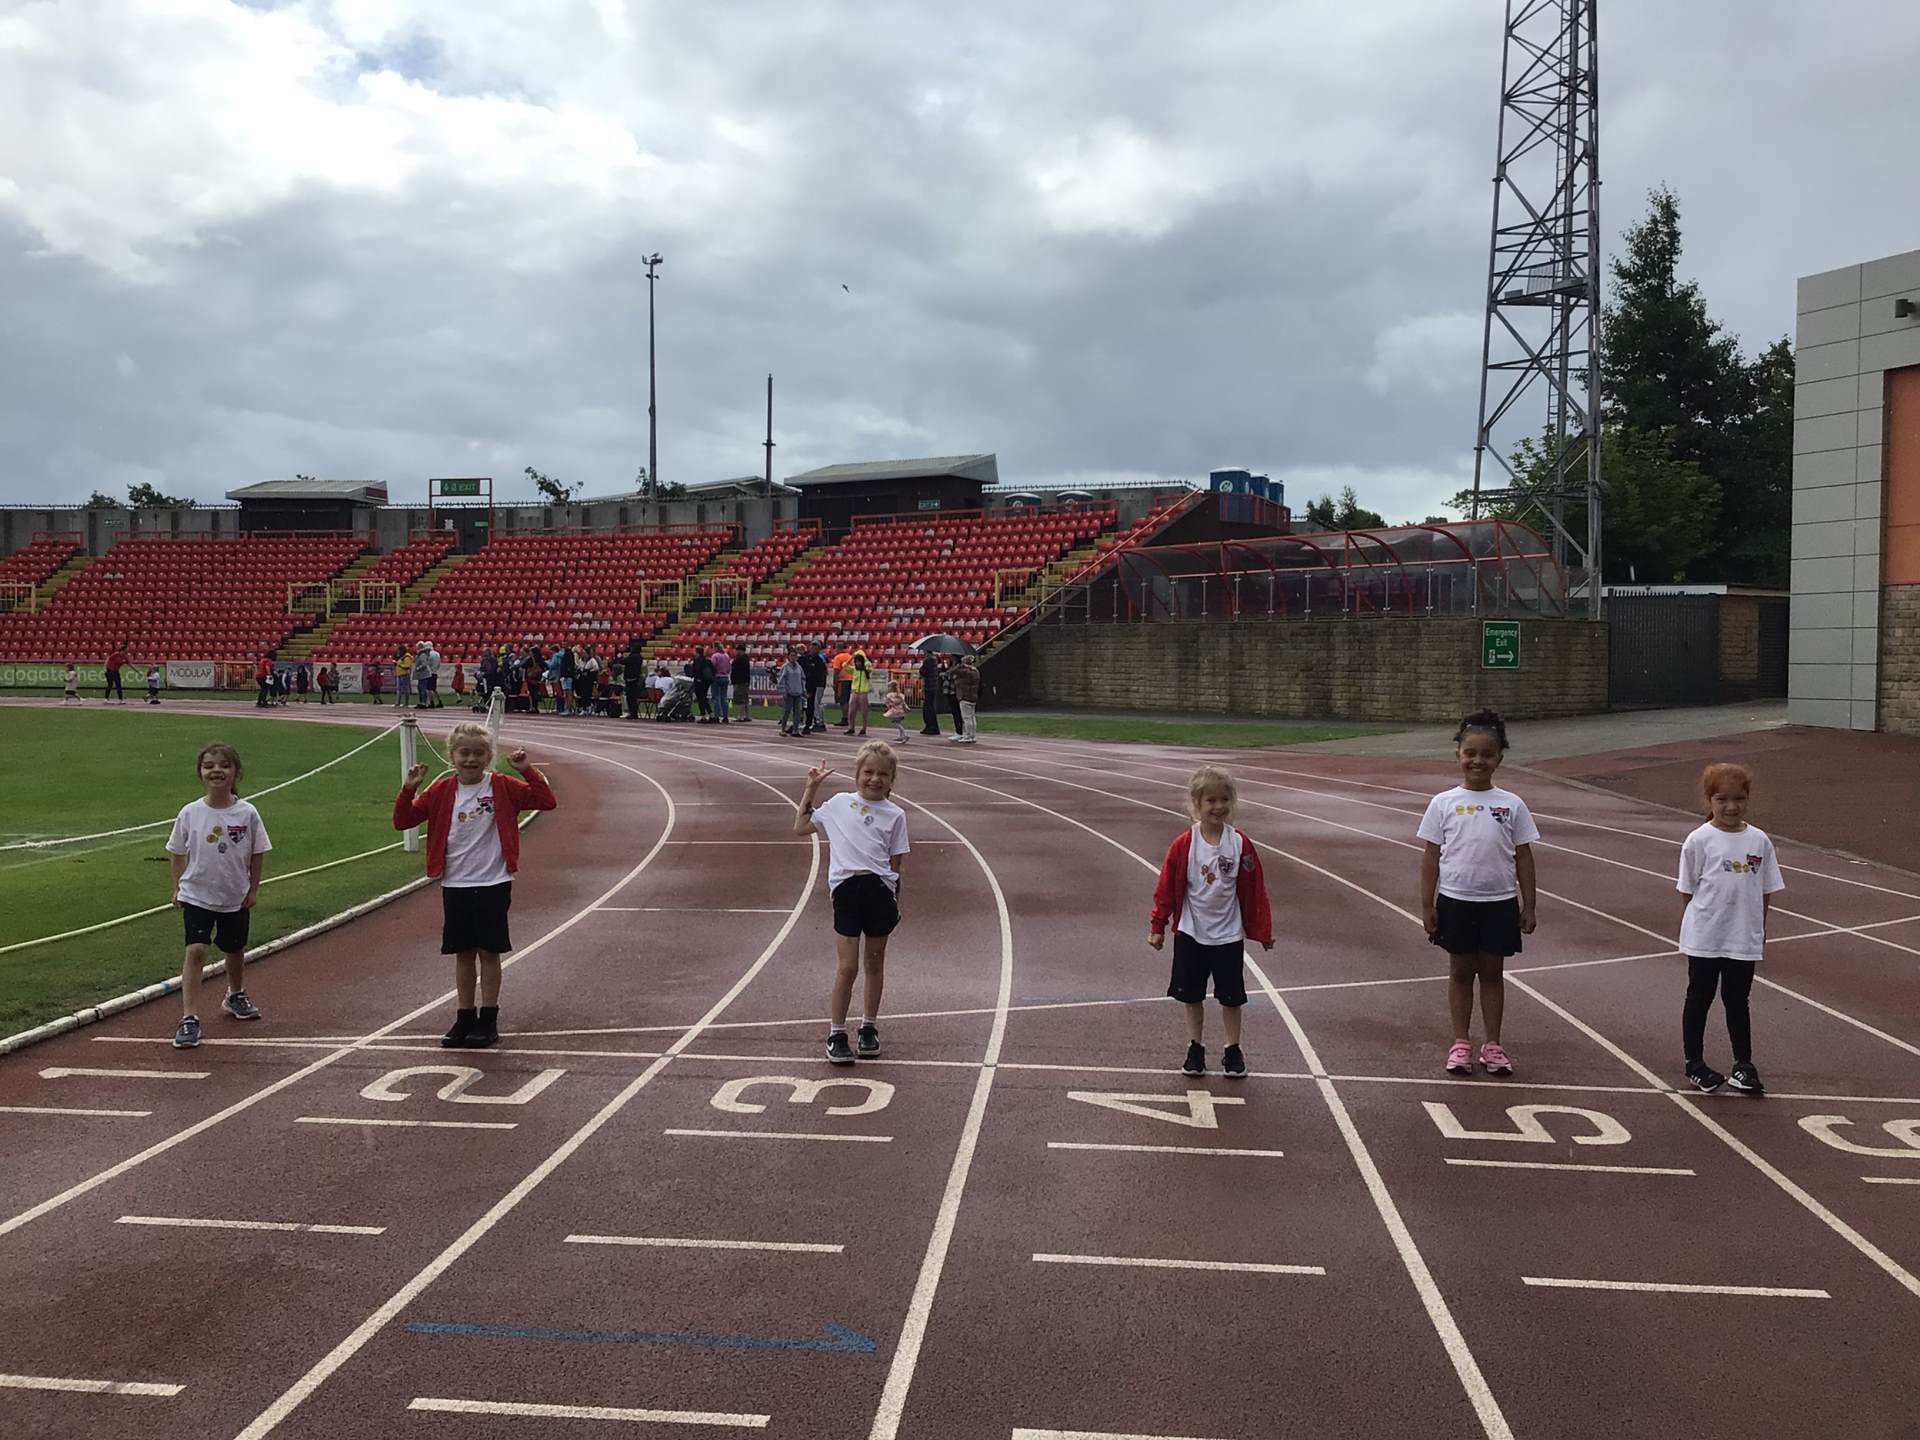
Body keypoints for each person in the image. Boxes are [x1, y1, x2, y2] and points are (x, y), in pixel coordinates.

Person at [393, 723, 557, 1049]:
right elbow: (403, 821)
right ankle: (464, 1016)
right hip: (456, 883)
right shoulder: (440, 791)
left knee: (489, 952)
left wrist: (527, 770)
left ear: (489, 756)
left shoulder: (502, 786)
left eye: (479, 753)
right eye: (464, 753)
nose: (471, 760)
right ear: (451, 756)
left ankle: (488, 1017)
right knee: (463, 953)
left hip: (493, 882)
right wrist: (409, 789)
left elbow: (546, 800)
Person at [1418, 709, 1539, 1077]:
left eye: (1487, 755)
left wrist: (1529, 904)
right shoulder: (1443, 803)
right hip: (1456, 900)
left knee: (1492, 973)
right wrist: (1427, 905)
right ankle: (1460, 1043)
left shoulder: (1512, 804)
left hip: (1499, 902)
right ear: (1458, 756)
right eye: (1470, 753)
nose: (1478, 761)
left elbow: (1524, 856)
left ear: (1499, 759)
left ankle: (1493, 1044)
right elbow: (1431, 856)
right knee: (1459, 972)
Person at [1148, 765, 1273, 1076]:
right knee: (1191, 996)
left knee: (1232, 998)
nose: (1219, 807)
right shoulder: (1184, 845)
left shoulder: (1240, 844)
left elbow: (1254, 889)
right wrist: (1158, 926)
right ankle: (1195, 1047)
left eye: (1224, 800)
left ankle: (1233, 1049)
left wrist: (1262, 930)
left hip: (1228, 935)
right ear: (1196, 804)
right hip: (1192, 933)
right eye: (1211, 801)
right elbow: (1166, 887)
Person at [795, 742, 910, 1064]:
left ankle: (869, 1028)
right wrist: (811, 788)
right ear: (857, 774)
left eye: (883, 774)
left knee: (875, 962)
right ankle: (836, 1032)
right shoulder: (839, 804)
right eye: (868, 772)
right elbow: (800, 827)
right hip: (847, 890)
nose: (875, 779)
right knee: (847, 967)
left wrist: (895, 899)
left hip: (880, 892)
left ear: (892, 779)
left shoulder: (896, 815)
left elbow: (896, 863)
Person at [1678, 763, 1784, 1095]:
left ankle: (1743, 1065)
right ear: (1709, 800)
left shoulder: (1759, 840)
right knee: (1699, 998)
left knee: (1738, 1000)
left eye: (1738, 798)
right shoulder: (1699, 840)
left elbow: (1765, 889)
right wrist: (1700, 926)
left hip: (1742, 937)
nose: (1731, 807)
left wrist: (1758, 929)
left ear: (1748, 798)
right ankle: (1694, 1063)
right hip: (1706, 937)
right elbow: (1687, 890)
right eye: (1722, 799)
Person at [166, 743, 271, 1048]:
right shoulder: (190, 812)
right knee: (196, 950)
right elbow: (176, 851)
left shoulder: (247, 813)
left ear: (235, 772)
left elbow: (258, 852)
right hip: (197, 894)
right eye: (209, 765)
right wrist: (178, 886)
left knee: (234, 949)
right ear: (200, 773)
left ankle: (235, 994)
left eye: (224, 765)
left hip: (234, 895)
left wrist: (253, 888)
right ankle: (189, 1017)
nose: (216, 771)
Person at [949, 654, 980, 744]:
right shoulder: (975, 670)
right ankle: (973, 735)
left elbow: (951, 672)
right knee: (972, 716)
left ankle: (968, 735)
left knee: (966, 717)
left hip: (964, 695)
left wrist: (959, 665)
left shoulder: (963, 671)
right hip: (973, 695)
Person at [778, 649, 808, 735]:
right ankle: (783, 729)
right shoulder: (785, 667)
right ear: (788, 657)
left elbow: (803, 679)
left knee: (798, 712)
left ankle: (795, 730)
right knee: (786, 711)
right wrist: (783, 691)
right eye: (792, 655)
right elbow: (781, 679)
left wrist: (803, 690)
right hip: (789, 693)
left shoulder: (799, 667)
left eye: (795, 656)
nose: (793, 657)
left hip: (798, 693)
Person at [801, 641, 829, 733]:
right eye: (812, 647)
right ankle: (814, 721)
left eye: (816, 647)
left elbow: (822, 673)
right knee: (811, 704)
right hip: (811, 685)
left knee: (816, 703)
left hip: (818, 685)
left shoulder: (820, 659)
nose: (813, 649)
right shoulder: (807, 658)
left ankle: (819, 722)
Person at [844, 651, 873, 736]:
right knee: (851, 712)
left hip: (863, 692)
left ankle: (864, 728)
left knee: (864, 712)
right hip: (855, 692)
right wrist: (852, 657)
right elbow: (844, 665)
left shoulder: (867, 669)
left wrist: (863, 655)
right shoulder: (854, 670)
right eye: (856, 662)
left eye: (859, 662)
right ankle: (851, 727)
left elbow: (868, 664)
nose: (858, 663)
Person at [918, 649, 942, 736]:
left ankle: (931, 726)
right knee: (929, 706)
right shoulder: (934, 659)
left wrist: (921, 667)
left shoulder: (928, 660)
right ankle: (931, 726)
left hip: (929, 686)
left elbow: (922, 671)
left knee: (928, 707)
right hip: (932, 686)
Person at [689, 644, 715, 723]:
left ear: (697, 653)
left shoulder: (698, 661)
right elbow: (713, 670)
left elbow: (696, 671)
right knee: (704, 698)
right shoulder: (708, 660)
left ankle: (703, 716)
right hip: (707, 682)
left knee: (700, 699)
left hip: (699, 681)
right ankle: (711, 714)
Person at [624, 636, 648, 720]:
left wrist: (621, 657)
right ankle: (633, 712)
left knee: (631, 697)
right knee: (633, 697)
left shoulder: (634, 656)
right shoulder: (639, 657)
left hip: (631, 678)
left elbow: (624, 661)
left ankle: (633, 713)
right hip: (634, 678)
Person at [831, 646, 855, 727]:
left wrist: (835, 682)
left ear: (838, 649)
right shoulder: (850, 657)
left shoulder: (838, 657)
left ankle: (845, 718)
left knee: (843, 700)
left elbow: (836, 670)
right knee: (848, 700)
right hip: (852, 680)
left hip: (842, 680)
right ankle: (850, 718)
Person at [710, 643, 732, 724]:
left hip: (717, 677)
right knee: (724, 697)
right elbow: (729, 668)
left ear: (716, 648)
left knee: (716, 698)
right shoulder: (726, 656)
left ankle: (717, 716)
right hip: (725, 677)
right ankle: (725, 716)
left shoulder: (715, 656)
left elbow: (712, 666)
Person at [730, 645, 753, 723]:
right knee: (745, 699)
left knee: (741, 699)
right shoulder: (745, 658)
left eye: (737, 650)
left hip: (740, 681)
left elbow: (735, 667)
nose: (736, 652)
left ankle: (740, 716)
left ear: (741, 650)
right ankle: (747, 716)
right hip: (743, 681)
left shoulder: (741, 659)